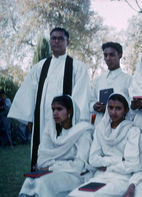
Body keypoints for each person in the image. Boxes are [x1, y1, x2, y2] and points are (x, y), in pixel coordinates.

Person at [8, 27, 91, 171]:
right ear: (50, 42)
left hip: (66, 122)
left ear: (68, 42)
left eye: (60, 39)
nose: (56, 41)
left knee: (64, 153)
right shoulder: (40, 67)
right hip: (42, 120)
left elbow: (81, 97)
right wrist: (30, 118)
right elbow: (30, 92)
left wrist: (74, 120)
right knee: (41, 152)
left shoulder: (78, 67)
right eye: (53, 38)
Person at [19, 95, 93, 196]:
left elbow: (79, 166)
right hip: (55, 172)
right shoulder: (52, 132)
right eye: (53, 109)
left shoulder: (82, 132)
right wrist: (53, 167)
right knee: (29, 182)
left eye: (59, 109)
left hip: (75, 176)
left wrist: (51, 167)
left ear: (70, 111)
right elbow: (42, 160)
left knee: (43, 183)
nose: (55, 113)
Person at [69, 93, 140, 196]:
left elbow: (132, 164)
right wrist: (120, 159)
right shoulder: (101, 129)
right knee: (76, 194)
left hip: (122, 178)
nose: (113, 112)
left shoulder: (132, 131)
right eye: (110, 108)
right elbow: (93, 160)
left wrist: (105, 165)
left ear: (126, 110)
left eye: (118, 108)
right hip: (100, 176)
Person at [90, 42, 132, 126]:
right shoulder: (98, 80)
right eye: (105, 55)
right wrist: (94, 106)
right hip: (100, 125)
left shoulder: (129, 80)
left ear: (120, 55)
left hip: (121, 126)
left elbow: (132, 106)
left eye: (112, 55)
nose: (108, 58)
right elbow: (91, 101)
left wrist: (112, 109)